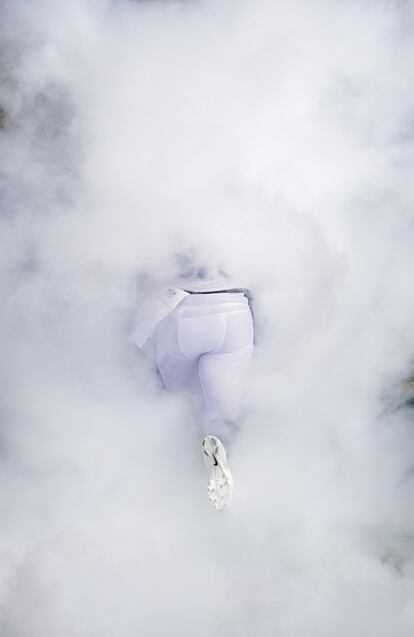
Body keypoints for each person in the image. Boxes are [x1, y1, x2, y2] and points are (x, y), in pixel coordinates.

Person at [130, 254, 255, 510]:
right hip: (235, 310)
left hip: (185, 311)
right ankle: (222, 465)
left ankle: (181, 492)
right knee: (223, 414)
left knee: (183, 407)